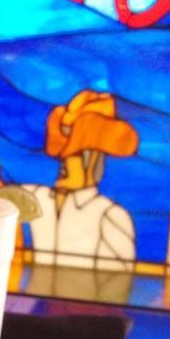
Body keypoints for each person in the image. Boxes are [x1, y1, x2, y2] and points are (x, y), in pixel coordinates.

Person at [27, 89, 139, 271]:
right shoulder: (38, 199)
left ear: (92, 159)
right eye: (60, 154)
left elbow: (117, 282)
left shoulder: (110, 216)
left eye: (72, 154)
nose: (62, 162)